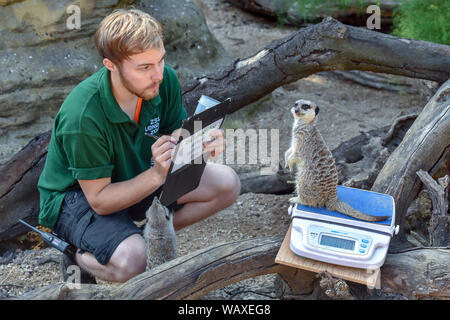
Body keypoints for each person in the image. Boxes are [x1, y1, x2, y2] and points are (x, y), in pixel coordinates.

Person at [37, 9, 240, 283]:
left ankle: (142, 235)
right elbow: (100, 200)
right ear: (111, 65)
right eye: (144, 67)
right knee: (135, 261)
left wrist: (199, 143)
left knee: (227, 184)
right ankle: (76, 251)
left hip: (137, 175)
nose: (157, 74)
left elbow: (174, 131)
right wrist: (157, 175)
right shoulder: (82, 115)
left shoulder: (162, 79)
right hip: (77, 197)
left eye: (160, 60)